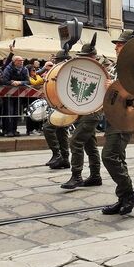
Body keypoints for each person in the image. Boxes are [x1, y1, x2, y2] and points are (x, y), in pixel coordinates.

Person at [100, 27, 134, 215]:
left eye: (120, 44)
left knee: (109, 156)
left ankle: (130, 192)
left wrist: (113, 88)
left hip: (125, 117)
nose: (116, 47)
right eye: (117, 44)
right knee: (119, 157)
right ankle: (123, 196)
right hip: (114, 115)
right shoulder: (118, 66)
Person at [59, 42, 102, 189]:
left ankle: (76, 176)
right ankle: (95, 176)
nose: (83, 59)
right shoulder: (85, 69)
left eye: (86, 56)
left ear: (93, 57)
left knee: (75, 141)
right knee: (90, 145)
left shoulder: (101, 71)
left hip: (93, 112)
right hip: (83, 111)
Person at [42, 54, 71, 169]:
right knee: (61, 129)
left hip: (64, 105)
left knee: (48, 127)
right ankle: (64, 158)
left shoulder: (66, 71)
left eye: (58, 60)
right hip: (61, 105)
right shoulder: (60, 71)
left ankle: (57, 154)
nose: (56, 63)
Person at [0, 55, 29, 137]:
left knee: (16, 112)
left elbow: (28, 81)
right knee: (9, 112)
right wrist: (11, 82)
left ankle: (14, 130)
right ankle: (8, 130)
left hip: (19, 95)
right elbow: (4, 80)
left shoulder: (25, 69)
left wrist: (20, 83)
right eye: (19, 60)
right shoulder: (8, 69)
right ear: (14, 61)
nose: (22, 62)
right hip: (8, 95)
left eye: (22, 60)